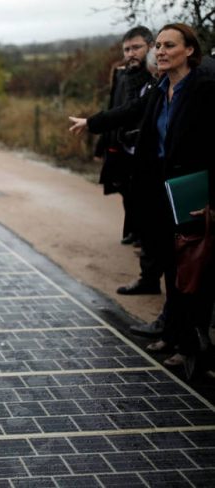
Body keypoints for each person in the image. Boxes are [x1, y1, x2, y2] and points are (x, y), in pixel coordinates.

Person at [74, 24, 214, 377]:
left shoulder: (203, 89)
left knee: (194, 271)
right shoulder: (160, 88)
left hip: (193, 192)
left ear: (190, 51)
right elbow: (130, 111)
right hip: (161, 191)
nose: (162, 51)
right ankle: (175, 334)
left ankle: (193, 348)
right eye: (160, 46)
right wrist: (92, 122)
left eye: (170, 46)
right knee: (170, 263)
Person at [95, 26, 156, 255]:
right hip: (122, 143)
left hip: (146, 148)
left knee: (143, 193)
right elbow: (115, 108)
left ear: (150, 47)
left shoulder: (156, 76)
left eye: (136, 48)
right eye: (127, 49)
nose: (131, 54)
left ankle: (144, 236)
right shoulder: (123, 76)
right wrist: (102, 143)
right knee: (125, 188)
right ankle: (134, 230)